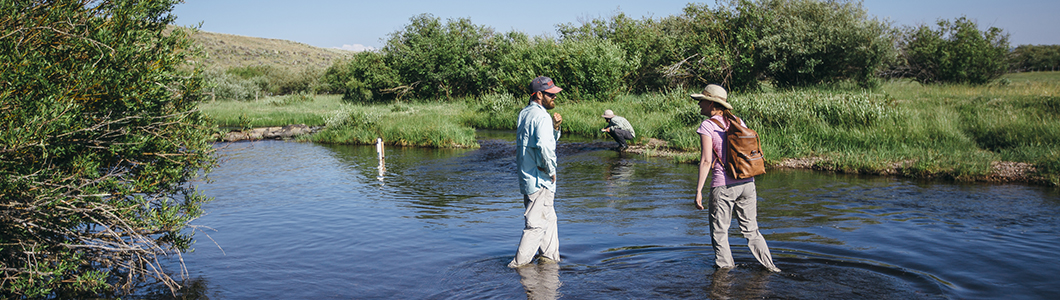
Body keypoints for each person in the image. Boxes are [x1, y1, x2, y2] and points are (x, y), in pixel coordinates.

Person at [691, 84, 781, 273]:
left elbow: (707, 160)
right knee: (752, 230)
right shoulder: (739, 122)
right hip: (747, 182)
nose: (699, 104)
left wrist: (699, 190)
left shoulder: (707, 126)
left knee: (720, 231)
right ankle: (771, 267)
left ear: (711, 104)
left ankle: (724, 273)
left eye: (702, 100)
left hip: (723, 185)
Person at [510, 76, 564, 268]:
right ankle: (517, 266)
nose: (554, 98)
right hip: (541, 180)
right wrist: (552, 170)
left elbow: (542, 141)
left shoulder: (524, 113)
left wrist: (555, 128)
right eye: (551, 95)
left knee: (549, 221)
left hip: (529, 178)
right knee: (535, 227)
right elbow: (545, 147)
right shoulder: (541, 116)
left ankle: (550, 263)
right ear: (539, 94)